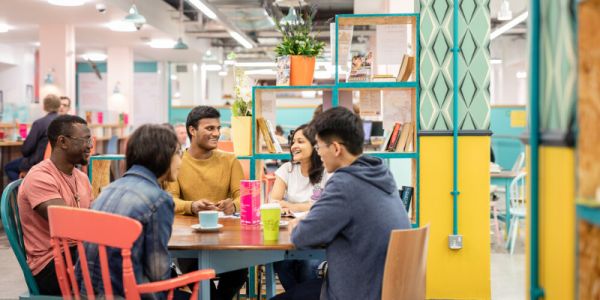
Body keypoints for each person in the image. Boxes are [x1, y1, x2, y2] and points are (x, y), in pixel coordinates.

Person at [274, 107, 411, 300]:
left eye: (319, 147)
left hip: (355, 291)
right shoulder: (379, 173)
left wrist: (297, 224)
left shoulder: (345, 184)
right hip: (382, 288)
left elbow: (302, 237)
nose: (318, 153)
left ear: (336, 148)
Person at [79, 124, 181, 298]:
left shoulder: (108, 190)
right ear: (161, 156)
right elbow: (158, 274)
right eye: (179, 153)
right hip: (127, 294)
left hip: (87, 293)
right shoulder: (158, 200)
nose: (181, 161)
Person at [165, 105, 247, 300]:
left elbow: (244, 198)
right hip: (189, 243)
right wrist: (192, 206)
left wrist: (233, 206)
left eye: (218, 128)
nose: (217, 133)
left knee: (239, 272)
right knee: (200, 283)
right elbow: (171, 200)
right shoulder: (178, 161)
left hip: (226, 241)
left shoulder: (230, 160)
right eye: (210, 128)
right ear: (192, 131)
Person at [17, 115, 93, 295]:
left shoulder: (81, 177)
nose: (90, 145)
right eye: (86, 139)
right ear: (62, 142)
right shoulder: (39, 177)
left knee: (129, 261)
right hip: (50, 265)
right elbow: (66, 224)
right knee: (117, 268)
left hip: (75, 253)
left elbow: (92, 215)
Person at [270, 124, 329, 292]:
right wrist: (289, 207)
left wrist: (290, 205)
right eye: (293, 141)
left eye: (300, 141)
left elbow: (323, 207)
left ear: (315, 145)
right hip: (289, 234)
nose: (294, 146)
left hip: (317, 236)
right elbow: (274, 200)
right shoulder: (286, 169)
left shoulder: (327, 171)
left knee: (308, 265)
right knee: (281, 263)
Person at [4, 94, 61, 181]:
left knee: (8, 167)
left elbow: (26, 149)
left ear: (44, 106)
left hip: (37, 163)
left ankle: (24, 190)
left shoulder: (40, 123)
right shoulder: (65, 123)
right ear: (59, 106)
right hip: (58, 163)